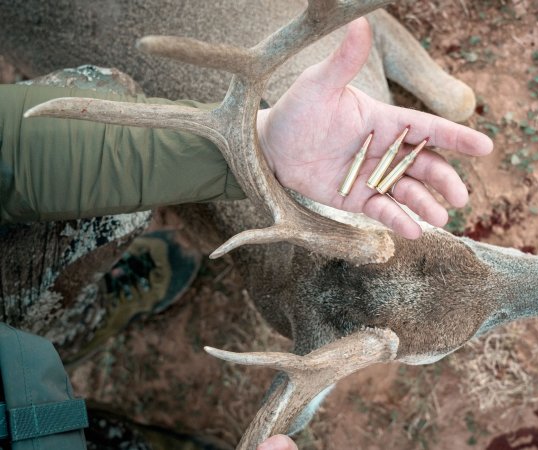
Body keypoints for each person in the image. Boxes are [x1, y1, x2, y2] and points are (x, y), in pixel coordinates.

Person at [0, 18, 492, 450]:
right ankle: (76, 333)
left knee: (97, 101)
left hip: (22, 388)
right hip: (32, 404)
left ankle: (76, 323)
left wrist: (257, 144)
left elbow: (9, 151)